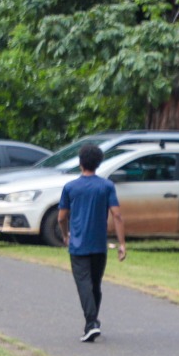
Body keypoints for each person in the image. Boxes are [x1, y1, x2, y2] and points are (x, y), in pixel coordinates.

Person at [56, 144, 126, 341]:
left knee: (83, 283)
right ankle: (92, 321)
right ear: (99, 163)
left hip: (78, 243)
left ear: (80, 163)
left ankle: (91, 323)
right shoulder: (106, 186)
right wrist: (121, 243)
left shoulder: (70, 187)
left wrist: (65, 234)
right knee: (95, 284)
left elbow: (61, 217)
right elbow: (117, 215)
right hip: (99, 244)